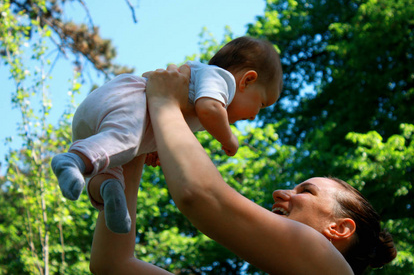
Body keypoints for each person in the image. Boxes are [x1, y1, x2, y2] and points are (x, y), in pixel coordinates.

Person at [89, 65, 397, 275]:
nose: (279, 192)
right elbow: (113, 265)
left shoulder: (329, 266)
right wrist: (134, 149)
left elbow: (201, 196)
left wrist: (165, 103)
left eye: (306, 191)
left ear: (340, 228)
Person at [51, 36, 283, 234]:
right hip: (130, 100)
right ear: (247, 80)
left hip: (103, 119)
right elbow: (209, 109)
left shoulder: (198, 89)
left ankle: (108, 191)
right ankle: (72, 160)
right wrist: (229, 138)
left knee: (112, 167)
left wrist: (154, 146)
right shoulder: (221, 80)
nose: (254, 116)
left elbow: (167, 117)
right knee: (126, 142)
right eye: (261, 104)